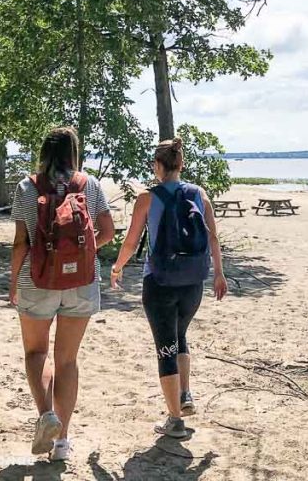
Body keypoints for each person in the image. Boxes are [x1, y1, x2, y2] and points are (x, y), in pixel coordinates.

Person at [9, 126, 115, 462]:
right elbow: (108, 230)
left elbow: (21, 242)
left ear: (43, 152)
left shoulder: (27, 187)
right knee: (67, 360)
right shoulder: (90, 184)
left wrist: (13, 281)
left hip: (37, 280)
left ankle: (46, 415)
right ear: (74, 152)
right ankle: (62, 444)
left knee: (35, 353)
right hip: (81, 282)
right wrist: (80, 254)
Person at [111, 137, 228, 438]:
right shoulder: (200, 194)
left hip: (160, 282)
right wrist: (219, 274)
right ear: (182, 164)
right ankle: (185, 394)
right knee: (180, 335)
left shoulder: (148, 198)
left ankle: (175, 420)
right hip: (193, 283)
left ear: (158, 166)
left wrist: (118, 266)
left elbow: (132, 240)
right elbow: (213, 238)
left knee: (165, 346)